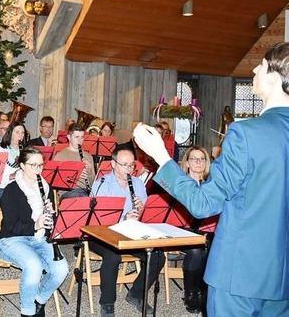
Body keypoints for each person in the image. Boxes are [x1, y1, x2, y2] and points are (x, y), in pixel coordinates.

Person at [133, 42, 289, 316]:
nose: (254, 68)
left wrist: (161, 156)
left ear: (275, 77)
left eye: (261, 66)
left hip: (240, 273)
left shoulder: (246, 134)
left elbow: (204, 204)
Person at [89, 146, 165, 316]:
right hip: (103, 234)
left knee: (158, 256)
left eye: (131, 165)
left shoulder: (137, 183)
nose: (129, 169)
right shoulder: (101, 184)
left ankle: (136, 294)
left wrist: (142, 209)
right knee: (113, 256)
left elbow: (146, 214)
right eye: (125, 165)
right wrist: (124, 218)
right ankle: (107, 302)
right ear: (113, 164)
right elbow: (97, 220)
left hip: (130, 233)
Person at [0, 147, 69, 317]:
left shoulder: (46, 188)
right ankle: (27, 311)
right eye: (33, 165)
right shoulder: (11, 190)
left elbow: (52, 225)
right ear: (22, 165)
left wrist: (51, 215)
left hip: (39, 238)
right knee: (34, 265)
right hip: (12, 240)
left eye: (41, 165)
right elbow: (11, 226)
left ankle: (39, 300)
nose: (38, 170)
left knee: (61, 269)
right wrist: (35, 225)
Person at [177, 146, 211, 314]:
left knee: (216, 245)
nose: (198, 162)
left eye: (202, 159)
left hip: (206, 231)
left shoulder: (211, 185)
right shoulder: (181, 184)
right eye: (194, 159)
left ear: (206, 163)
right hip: (181, 230)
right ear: (187, 163)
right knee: (197, 250)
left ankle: (205, 291)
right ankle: (191, 292)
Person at [53, 122, 95, 197]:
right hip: (69, 192)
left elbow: (93, 184)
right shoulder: (60, 156)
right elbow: (55, 182)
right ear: (69, 137)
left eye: (82, 137)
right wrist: (75, 175)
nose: (80, 140)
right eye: (76, 137)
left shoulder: (88, 156)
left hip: (86, 192)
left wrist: (89, 171)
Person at [0, 122, 28, 204]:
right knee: (17, 198)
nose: (20, 135)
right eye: (17, 132)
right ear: (10, 133)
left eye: (22, 133)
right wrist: (11, 176)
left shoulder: (26, 152)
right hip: (2, 188)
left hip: (22, 188)